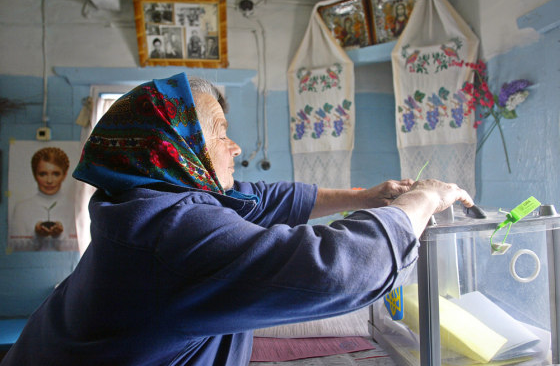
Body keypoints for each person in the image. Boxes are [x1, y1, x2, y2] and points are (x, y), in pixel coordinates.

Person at [0, 73, 473, 365]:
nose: (236, 147)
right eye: (220, 132)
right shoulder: (171, 232)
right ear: (175, 146)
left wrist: (366, 196)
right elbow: (337, 269)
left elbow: (256, 198)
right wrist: (422, 200)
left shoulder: (140, 201)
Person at [9, 147, 78, 252]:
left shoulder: (75, 208)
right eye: (43, 174)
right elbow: (15, 248)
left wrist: (59, 236)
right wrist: (37, 236)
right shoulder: (21, 208)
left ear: (64, 175)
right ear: (35, 175)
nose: (49, 181)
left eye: (56, 174)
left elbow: (81, 248)